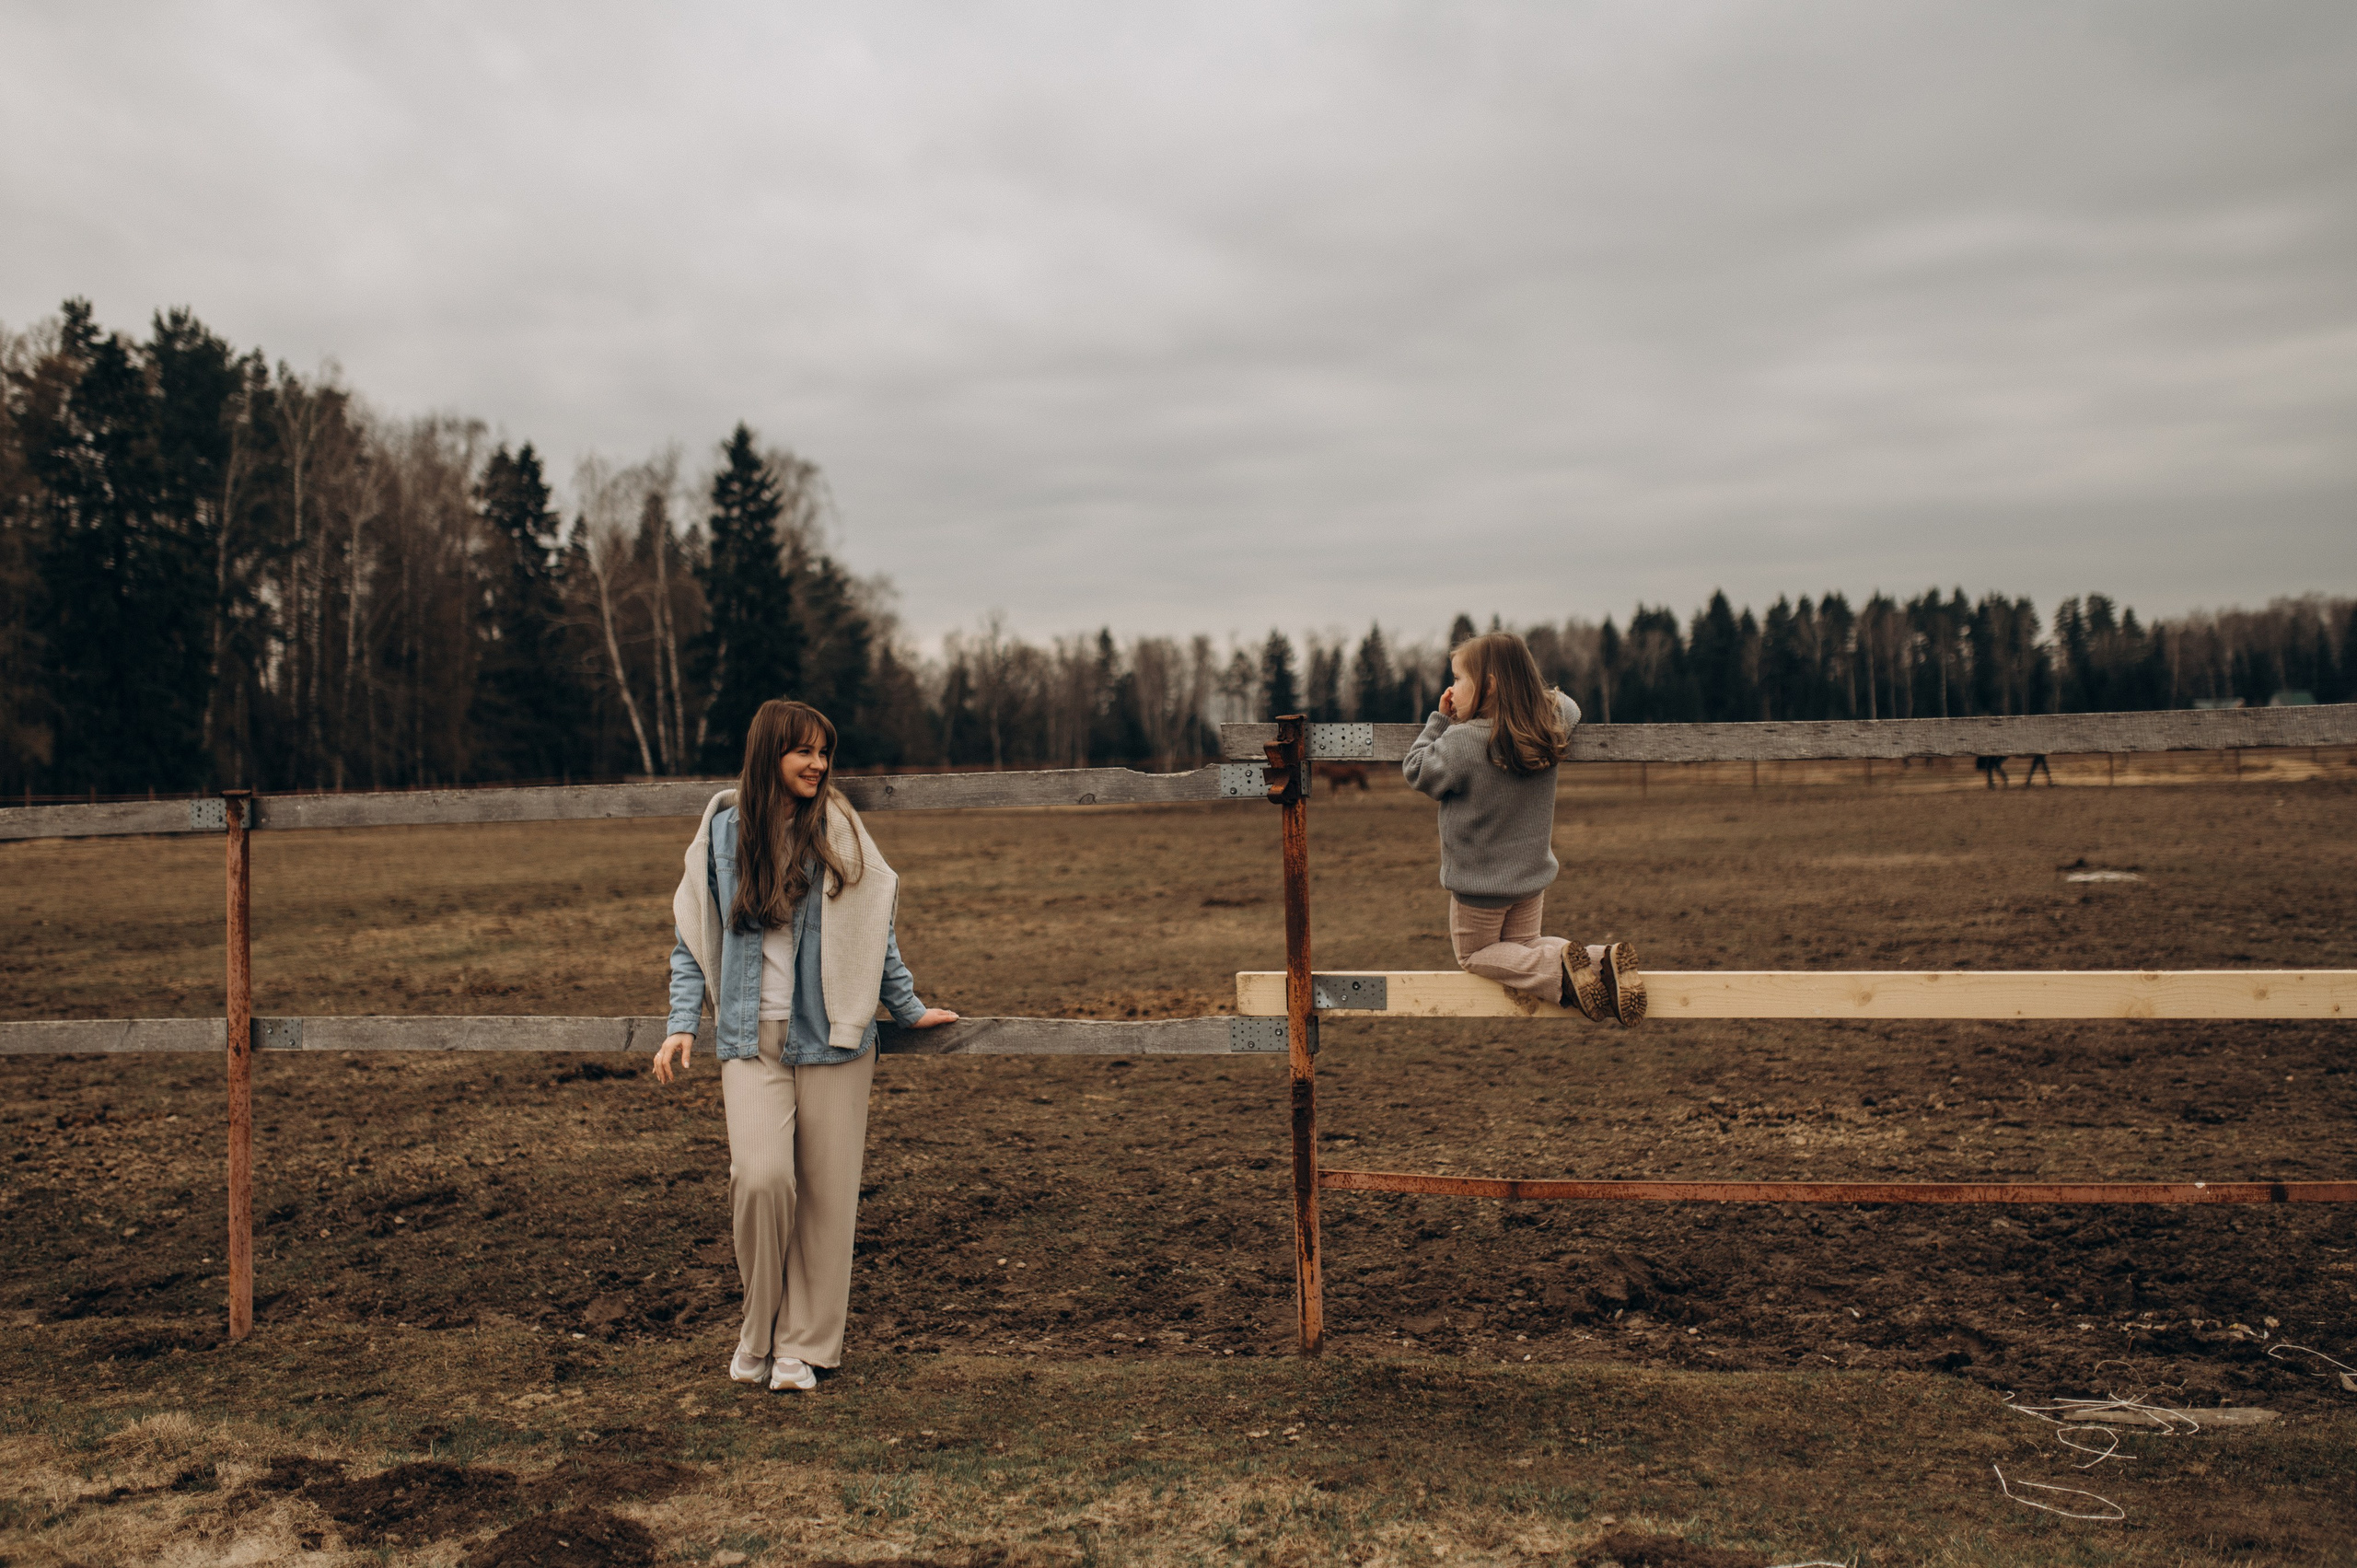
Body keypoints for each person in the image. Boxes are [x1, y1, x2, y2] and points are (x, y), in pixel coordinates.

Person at [651, 698, 958, 1392]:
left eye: (825, 752)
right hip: (748, 1040)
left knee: (827, 1195)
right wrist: (679, 1023)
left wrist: (906, 1007)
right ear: (770, 754)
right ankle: (758, 1329)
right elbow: (690, 939)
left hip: (834, 1038)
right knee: (760, 1180)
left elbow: (873, 927)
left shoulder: (840, 830)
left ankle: (803, 1346)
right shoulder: (723, 835)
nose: (819, 764)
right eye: (804, 751)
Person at [1402, 632, 1644, 1026]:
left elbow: (1416, 770)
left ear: (1490, 685)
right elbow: (1570, 705)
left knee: (1475, 956)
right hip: (1531, 878)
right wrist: (1528, 695)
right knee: (1522, 947)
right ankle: (1602, 962)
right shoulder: (1548, 725)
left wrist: (1440, 720)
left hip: (1480, 888)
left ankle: (1563, 972)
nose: (1451, 688)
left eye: (1460, 679)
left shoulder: (1461, 742)